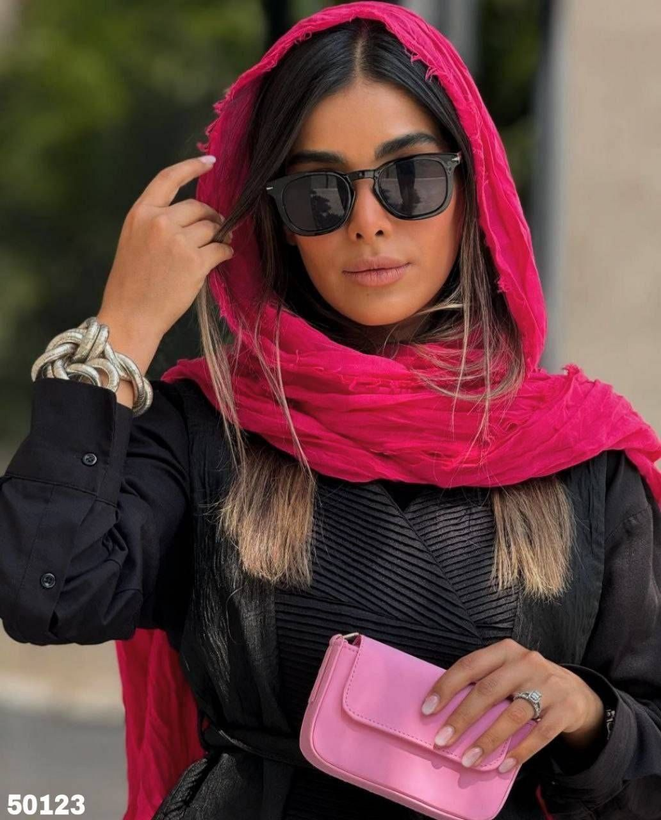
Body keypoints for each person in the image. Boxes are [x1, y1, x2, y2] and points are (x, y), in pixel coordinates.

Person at [2, 2, 660, 819]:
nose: (367, 223)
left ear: (473, 190)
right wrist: (122, 328)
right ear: (280, 223)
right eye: (319, 193)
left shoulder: (580, 455)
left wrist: (588, 716)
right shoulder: (208, 431)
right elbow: (46, 589)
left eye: (410, 179)